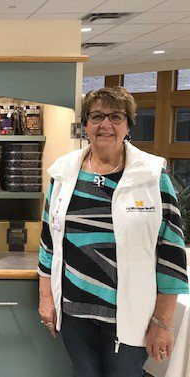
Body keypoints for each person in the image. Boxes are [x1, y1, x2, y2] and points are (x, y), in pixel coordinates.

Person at [37, 86, 188, 376]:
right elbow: (49, 241)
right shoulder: (64, 172)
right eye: (96, 117)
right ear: (86, 126)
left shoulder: (152, 176)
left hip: (131, 316)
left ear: (128, 125)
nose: (105, 124)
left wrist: (163, 322)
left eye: (116, 117)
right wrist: (46, 298)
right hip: (75, 313)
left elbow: (172, 255)